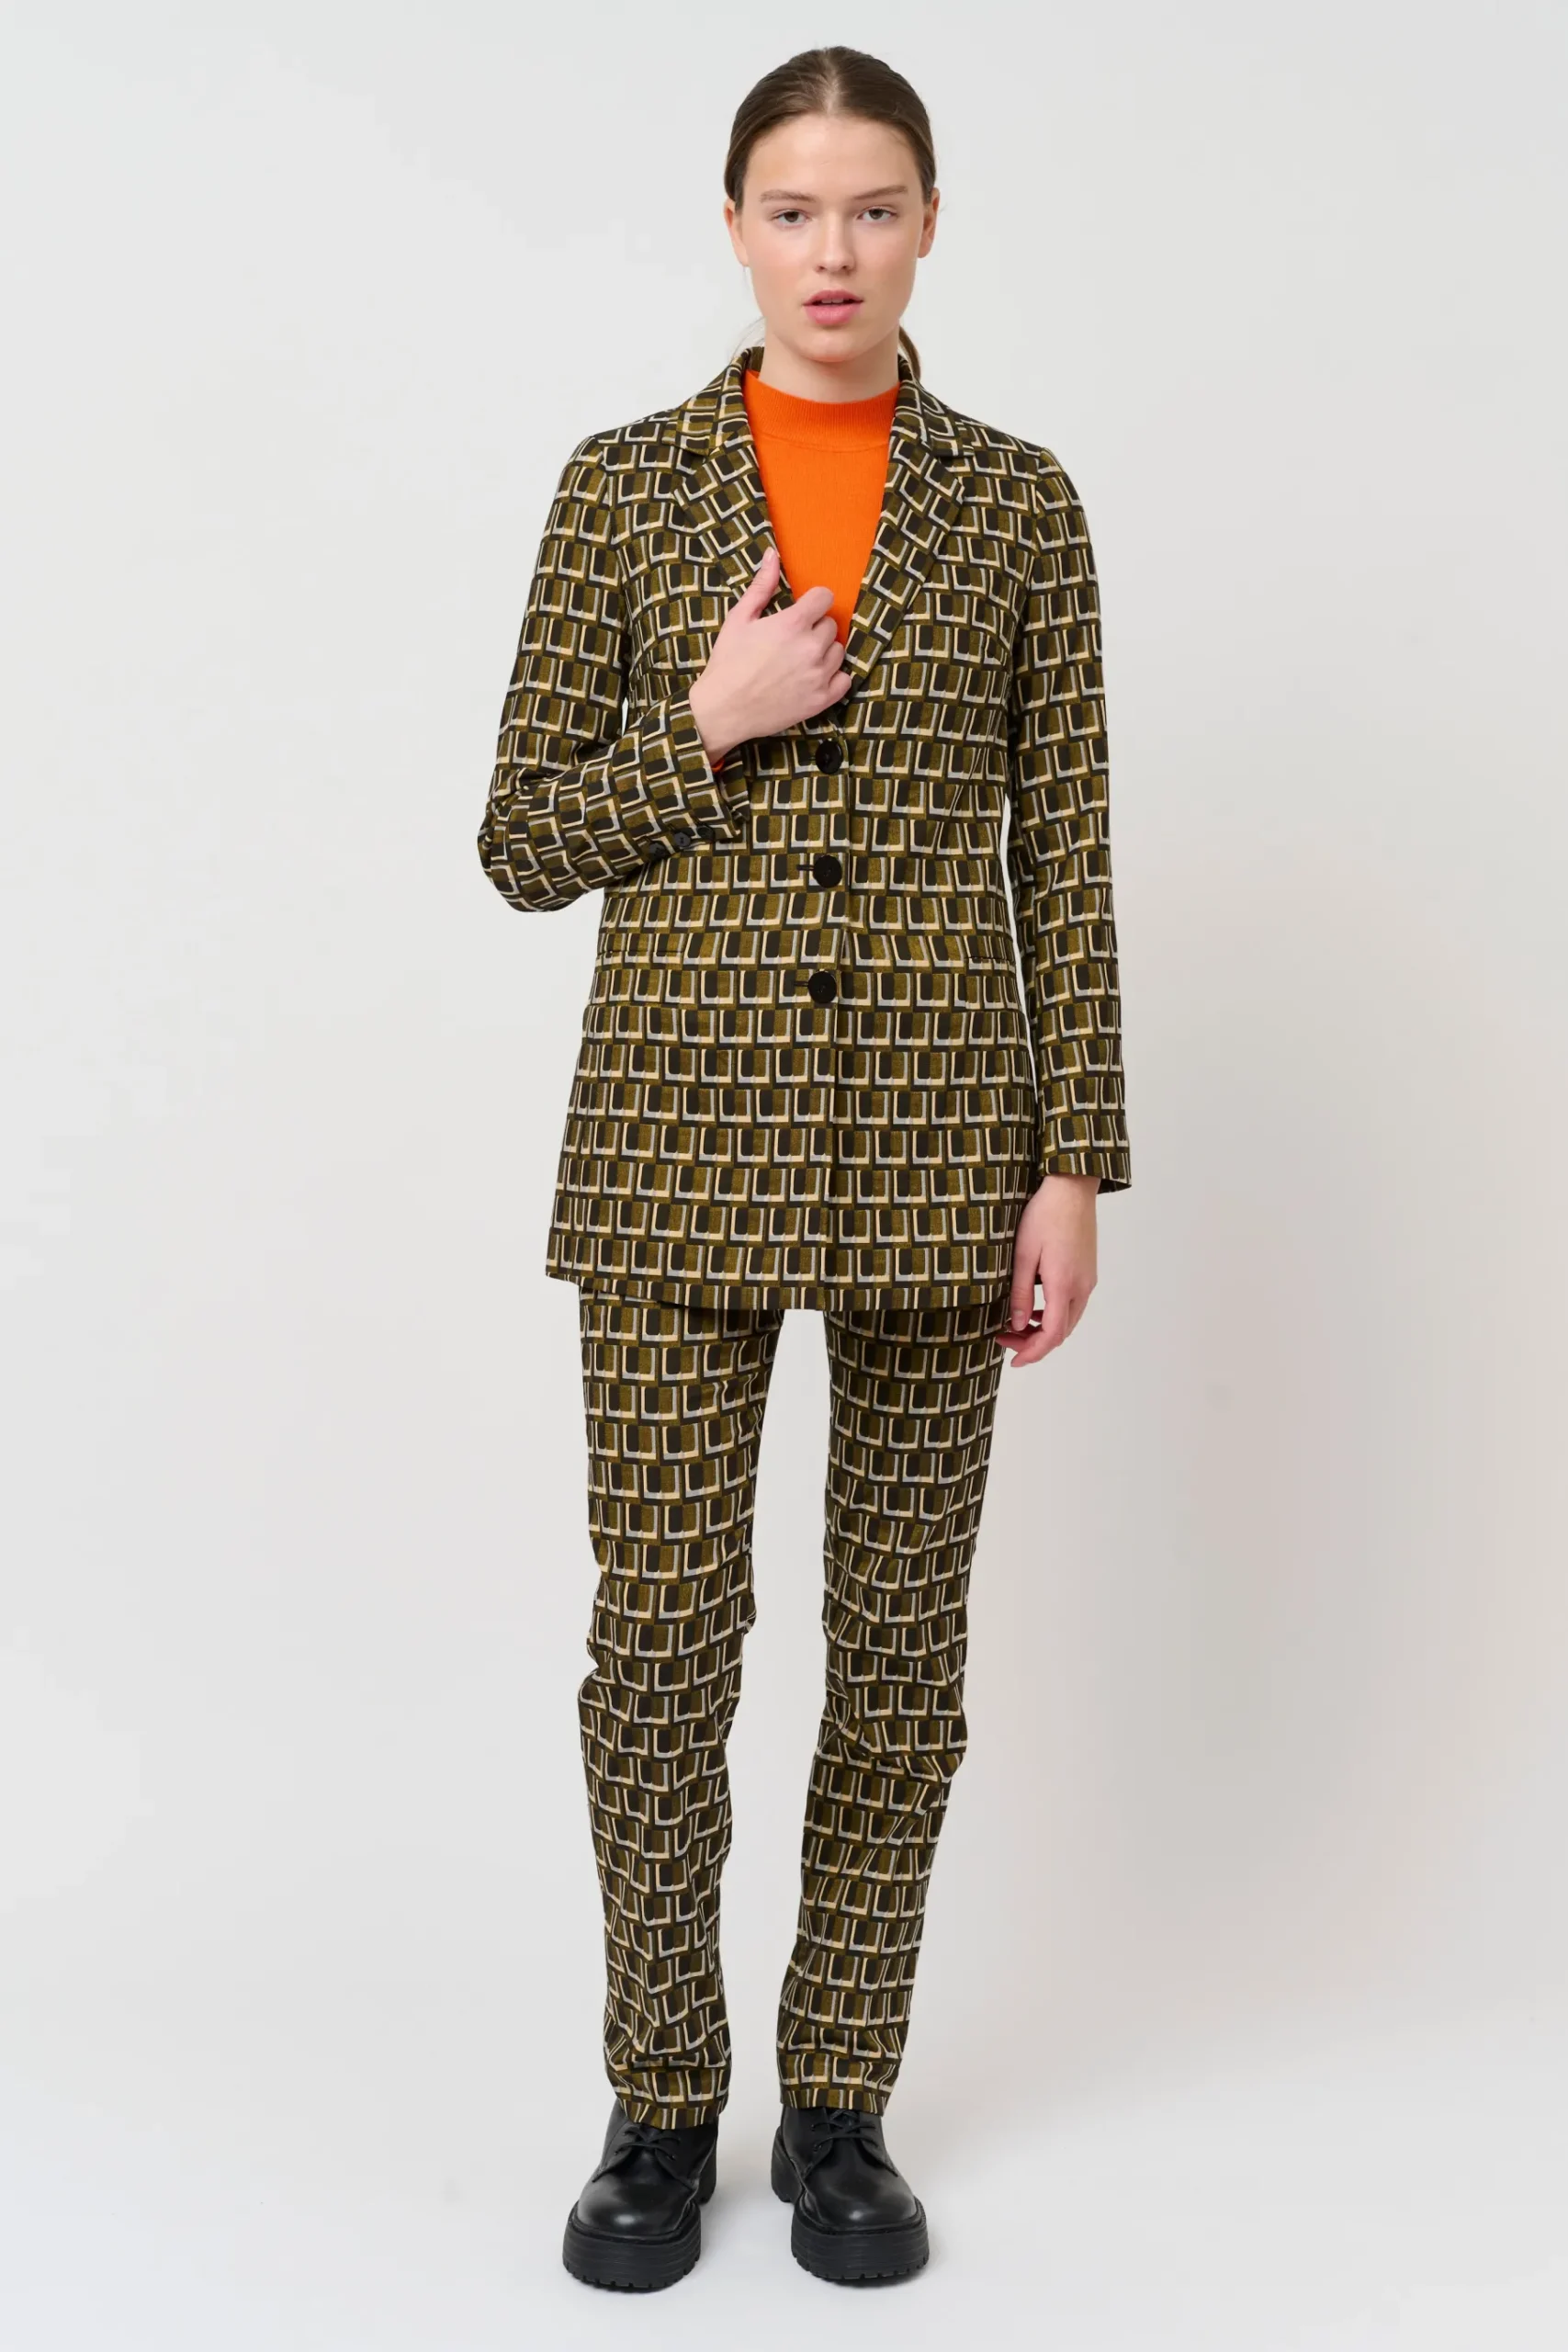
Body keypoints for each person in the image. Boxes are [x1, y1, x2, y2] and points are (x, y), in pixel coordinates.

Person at [476, 43, 1132, 2293]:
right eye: (790, 208)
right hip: (672, 1155)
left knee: (901, 1650)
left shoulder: (1019, 503)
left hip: (949, 1152)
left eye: (871, 207)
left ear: (928, 222)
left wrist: (1074, 1158)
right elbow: (517, 838)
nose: (831, 251)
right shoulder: (623, 488)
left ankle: (840, 2096)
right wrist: (704, 721)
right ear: (734, 226)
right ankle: (661, 2100)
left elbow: (1069, 850)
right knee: (660, 1643)